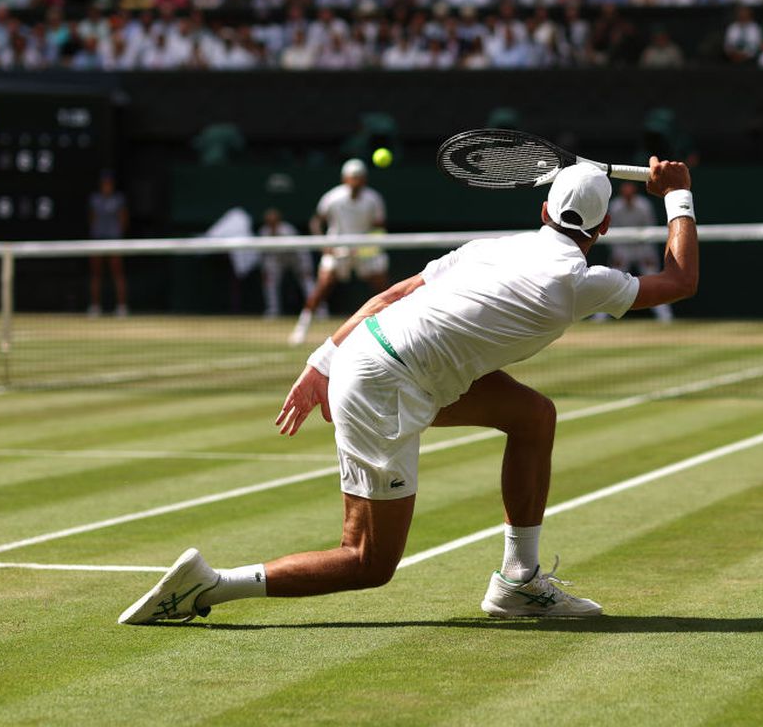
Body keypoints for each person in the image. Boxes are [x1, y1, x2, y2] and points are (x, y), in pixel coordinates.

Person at [118, 156, 698, 624]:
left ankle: (519, 582)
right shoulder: (577, 280)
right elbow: (680, 279)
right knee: (367, 561)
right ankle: (209, 588)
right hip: (387, 386)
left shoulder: (493, 247)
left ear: (543, 208)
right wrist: (678, 194)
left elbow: (391, 295)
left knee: (532, 415)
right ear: (604, 228)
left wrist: (323, 360)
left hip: (374, 355)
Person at [289, 158, 388, 345]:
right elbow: (316, 221)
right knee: (323, 286)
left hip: (364, 250)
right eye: (352, 177)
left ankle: (392, 326)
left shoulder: (373, 199)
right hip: (337, 248)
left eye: (359, 177)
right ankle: (301, 328)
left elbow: (379, 227)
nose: (355, 181)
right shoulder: (332, 198)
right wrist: (324, 245)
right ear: (345, 179)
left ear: (364, 179)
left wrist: (369, 248)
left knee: (383, 288)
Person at [601, 181, 673, 322]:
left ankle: (666, 318)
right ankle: (599, 318)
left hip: (642, 249)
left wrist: (649, 254)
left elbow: (651, 230)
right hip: (623, 249)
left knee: (654, 280)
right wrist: (616, 254)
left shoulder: (644, 206)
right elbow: (611, 232)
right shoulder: (615, 207)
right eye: (625, 194)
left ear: (634, 193)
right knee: (612, 282)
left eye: (630, 194)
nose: (628, 196)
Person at [258, 208, 315, 318]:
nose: (271, 224)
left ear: (278, 220)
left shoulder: (288, 230)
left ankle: (318, 310)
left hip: (295, 258)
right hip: (276, 260)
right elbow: (264, 255)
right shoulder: (263, 232)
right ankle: (273, 310)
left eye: (274, 221)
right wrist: (264, 270)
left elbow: (301, 251)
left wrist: (306, 267)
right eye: (269, 222)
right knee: (269, 281)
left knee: (307, 281)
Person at [88, 170, 128, 317]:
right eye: (104, 183)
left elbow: (123, 219)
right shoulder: (95, 199)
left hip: (114, 240)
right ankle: (95, 307)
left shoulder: (118, 200)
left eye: (109, 183)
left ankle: (122, 307)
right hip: (98, 240)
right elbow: (92, 219)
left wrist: (117, 235)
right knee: (96, 274)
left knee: (118, 273)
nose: (107, 186)